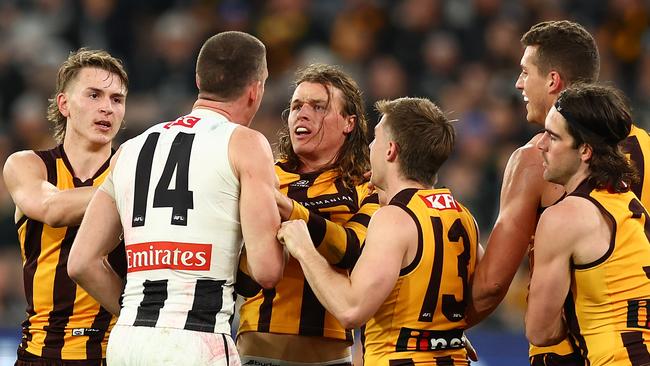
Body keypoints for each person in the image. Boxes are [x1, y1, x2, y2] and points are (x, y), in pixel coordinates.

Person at [67, 31, 284, 365]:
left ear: (199, 80)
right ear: (256, 90)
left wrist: (135, 310)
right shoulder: (246, 144)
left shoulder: (131, 149)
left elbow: (81, 262)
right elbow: (266, 270)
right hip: (197, 338)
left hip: (127, 341)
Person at [468, 20, 650, 365]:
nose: (518, 83)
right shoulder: (646, 146)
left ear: (552, 80)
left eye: (524, 72)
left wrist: (434, 332)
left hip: (569, 351)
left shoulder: (536, 158)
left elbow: (492, 285)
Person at [277, 97, 480, 365]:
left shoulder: (394, 218)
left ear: (391, 151)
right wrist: (445, 331)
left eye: (375, 139)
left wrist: (303, 247)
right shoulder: (464, 216)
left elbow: (351, 309)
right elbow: (489, 287)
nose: (370, 146)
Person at [235, 63, 379, 365]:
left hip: (331, 356)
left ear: (349, 123)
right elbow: (244, 281)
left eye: (318, 107)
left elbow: (352, 250)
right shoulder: (264, 176)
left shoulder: (367, 186)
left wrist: (287, 209)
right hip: (259, 350)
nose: (302, 113)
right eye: (296, 106)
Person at [3, 49, 128, 365]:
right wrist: (134, 187)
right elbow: (52, 208)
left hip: (114, 354)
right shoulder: (28, 165)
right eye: (94, 95)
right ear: (64, 104)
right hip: (42, 353)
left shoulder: (134, 168)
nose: (106, 108)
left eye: (117, 99)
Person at [526, 83, 650, 365]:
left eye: (553, 137)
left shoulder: (565, 217)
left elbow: (540, 331)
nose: (541, 144)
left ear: (584, 151)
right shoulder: (626, 200)